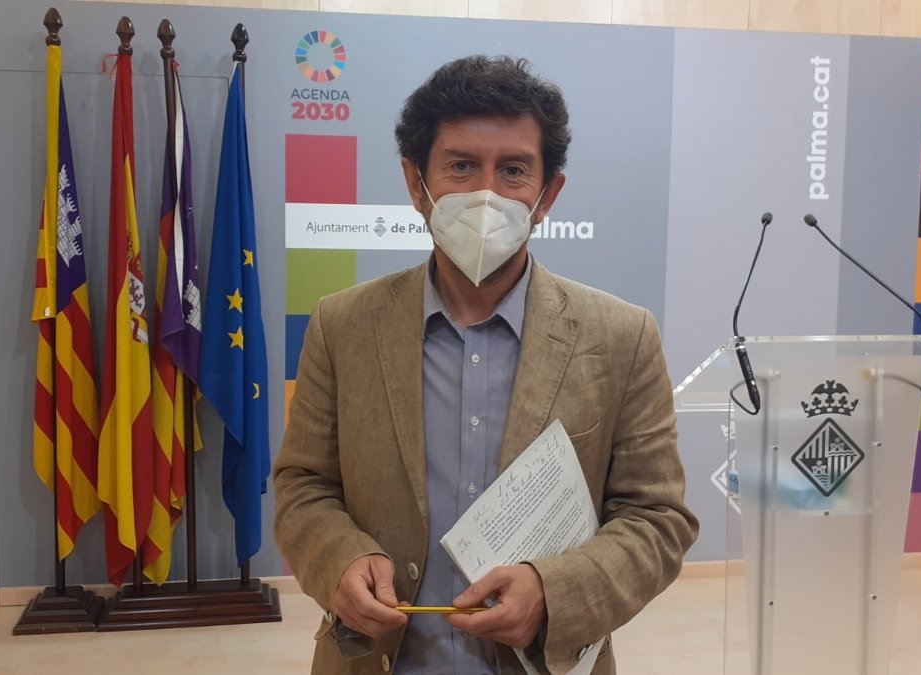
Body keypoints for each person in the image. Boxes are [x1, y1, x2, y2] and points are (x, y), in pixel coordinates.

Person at [273, 55, 698, 675]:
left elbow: (657, 519)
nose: (486, 193)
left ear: (548, 195)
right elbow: (302, 485)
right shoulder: (342, 324)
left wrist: (555, 592)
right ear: (415, 182)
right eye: (461, 166)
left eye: (514, 170)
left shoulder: (621, 337)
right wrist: (339, 558)